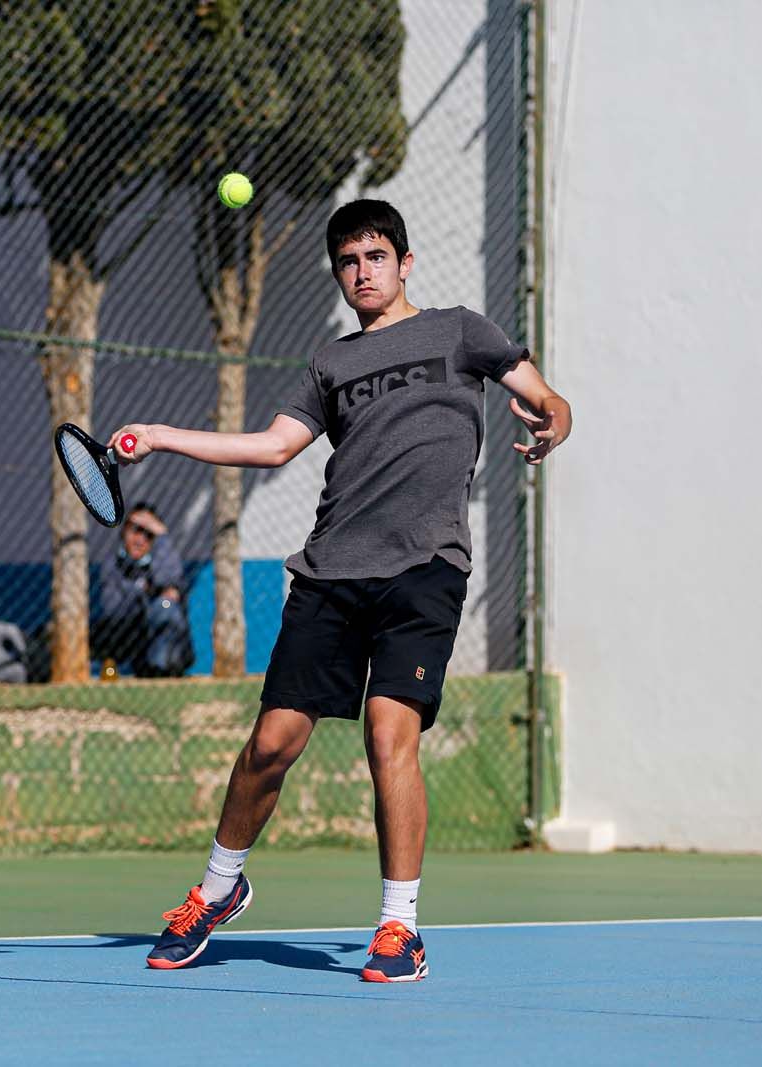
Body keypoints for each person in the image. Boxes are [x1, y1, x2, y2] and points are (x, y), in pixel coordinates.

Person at [108, 199, 572, 982]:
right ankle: (219, 889)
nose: (364, 272)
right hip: (331, 572)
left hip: (427, 567)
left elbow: (546, 395)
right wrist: (160, 437)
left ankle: (401, 928)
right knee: (270, 745)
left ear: (405, 262)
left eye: (376, 257)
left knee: (389, 737)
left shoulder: (461, 330)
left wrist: (556, 417)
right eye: (350, 262)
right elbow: (271, 447)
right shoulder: (331, 363)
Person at [94, 502, 194, 678]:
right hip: (128, 640)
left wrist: (163, 537)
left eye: (149, 533)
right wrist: (143, 592)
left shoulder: (160, 559)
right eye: (136, 530)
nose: (140, 539)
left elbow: (170, 580)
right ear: (124, 532)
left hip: (161, 644)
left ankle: (161, 670)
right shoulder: (112, 566)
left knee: (165, 606)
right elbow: (113, 609)